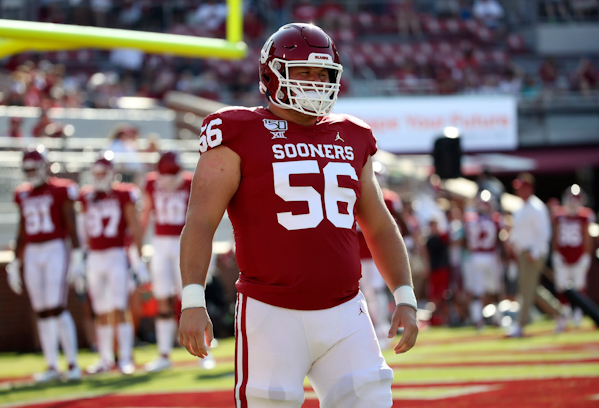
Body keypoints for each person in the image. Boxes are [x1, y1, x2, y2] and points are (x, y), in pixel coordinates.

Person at [178, 23, 418, 408]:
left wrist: (404, 295)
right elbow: (201, 222)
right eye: (303, 71)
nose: (316, 82)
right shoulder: (236, 131)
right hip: (271, 313)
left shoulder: (353, 134)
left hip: (346, 310)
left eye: (324, 74)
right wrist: (193, 300)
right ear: (271, 75)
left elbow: (378, 222)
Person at [5, 146, 82, 382]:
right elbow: (21, 228)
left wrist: (77, 255)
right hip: (32, 252)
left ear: (44, 166)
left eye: (33, 167)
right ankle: (51, 365)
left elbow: (71, 224)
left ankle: (71, 364)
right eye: (26, 168)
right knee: (41, 310)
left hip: (55, 248)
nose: (29, 173)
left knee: (56, 307)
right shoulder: (22, 193)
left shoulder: (61, 189)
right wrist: (15, 260)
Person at [78, 153, 149, 374]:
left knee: (120, 307)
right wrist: (80, 260)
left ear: (112, 173)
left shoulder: (124, 193)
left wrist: (139, 259)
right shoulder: (86, 196)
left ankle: (125, 357)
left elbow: (134, 226)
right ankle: (105, 358)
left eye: (103, 172)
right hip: (95, 257)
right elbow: (83, 232)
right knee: (100, 310)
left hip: (117, 254)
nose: (99, 177)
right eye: (96, 173)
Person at [140, 151, 195, 372]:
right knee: (162, 298)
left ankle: (202, 351)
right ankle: (164, 353)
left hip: (184, 242)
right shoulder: (151, 183)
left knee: (191, 298)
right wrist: (135, 250)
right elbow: (144, 214)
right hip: (160, 243)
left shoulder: (190, 182)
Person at [508, 173, 551, 338]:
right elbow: (519, 232)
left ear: (529, 188)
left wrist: (535, 252)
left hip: (533, 253)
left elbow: (544, 232)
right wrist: (513, 241)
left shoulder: (536, 207)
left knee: (526, 289)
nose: (518, 191)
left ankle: (521, 324)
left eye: (522, 188)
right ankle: (560, 314)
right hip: (523, 252)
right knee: (531, 289)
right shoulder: (521, 207)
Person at [552, 185, 594, 332]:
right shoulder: (559, 215)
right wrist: (555, 253)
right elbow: (556, 236)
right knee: (562, 288)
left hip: (578, 256)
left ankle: (578, 314)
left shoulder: (585, 216)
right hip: (563, 257)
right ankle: (564, 315)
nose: (572, 203)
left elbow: (587, 237)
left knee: (579, 287)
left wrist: (586, 256)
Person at [463, 191, 504, 329]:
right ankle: (497, 319)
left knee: (477, 291)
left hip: (475, 257)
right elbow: (500, 240)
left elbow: (465, 240)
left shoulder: (470, 219)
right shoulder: (495, 219)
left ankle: (478, 320)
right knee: (494, 290)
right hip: (490, 256)